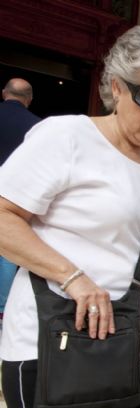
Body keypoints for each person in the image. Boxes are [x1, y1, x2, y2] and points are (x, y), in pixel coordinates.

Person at [0, 26, 140, 408]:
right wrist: (73, 277)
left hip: (135, 348)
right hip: (56, 346)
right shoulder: (66, 136)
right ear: (117, 87)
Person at [0, 78, 41, 325]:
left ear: (4, 93)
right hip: (15, 193)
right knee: (7, 252)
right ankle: (3, 309)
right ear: (29, 99)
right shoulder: (37, 127)